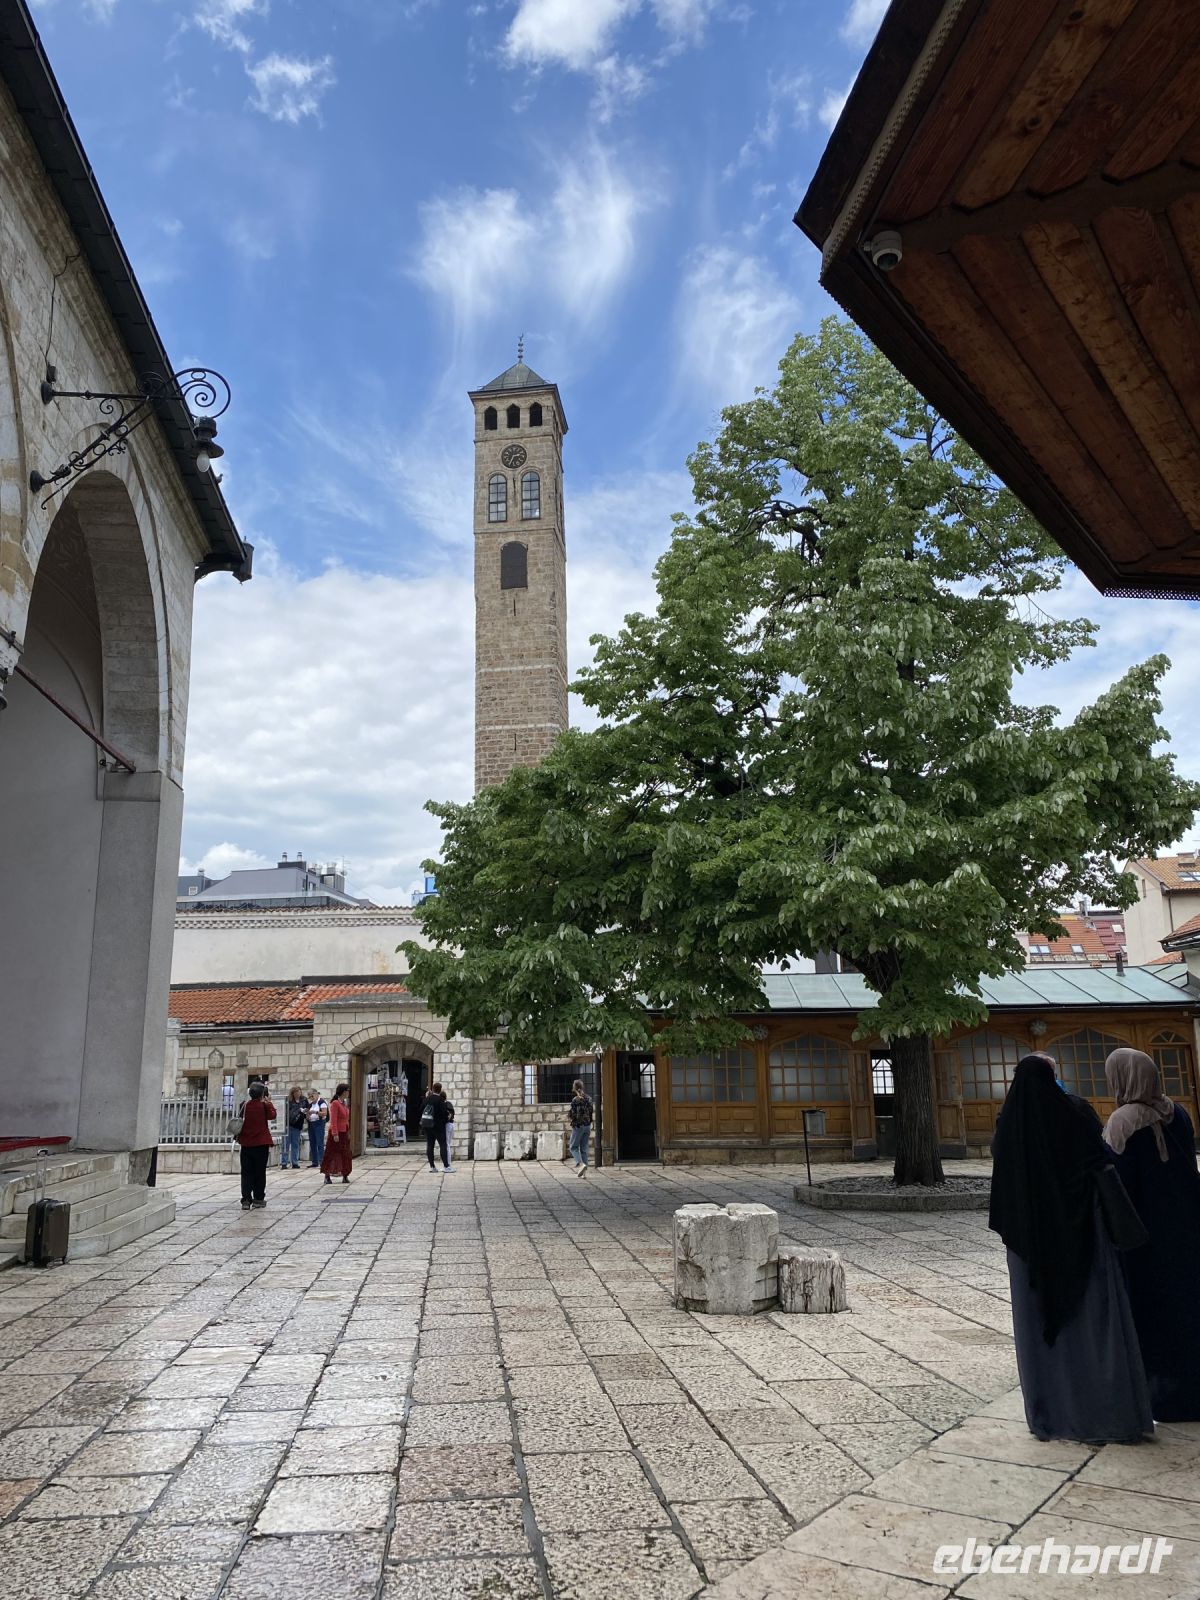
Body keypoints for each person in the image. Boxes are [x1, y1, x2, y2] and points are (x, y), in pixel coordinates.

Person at [989, 1052, 1151, 1444]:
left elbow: (1006, 1191)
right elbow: (1099, 1165)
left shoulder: (1011, 1125)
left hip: (1031, 1247)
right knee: (1093, 1326)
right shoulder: (1076, 1115)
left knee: (1041, 1329)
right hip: (1084, 1236)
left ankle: (1052, 1412)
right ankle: (1107, 1410)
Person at [1103, 1048, 1200, 1422]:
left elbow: (1117, 1183)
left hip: (1144, 1235)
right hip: (1184, 1225)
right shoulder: (1177, 1113)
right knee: (1185, 1305)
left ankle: (1161, 1394)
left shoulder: (1122, 1122)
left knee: (1151, 1310)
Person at [236, 1081, 276, 1210]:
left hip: (246, 1143)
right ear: (262, 1094)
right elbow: (272, 1115)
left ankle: (246, 1200)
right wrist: (269, 1102)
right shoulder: (264, 1106)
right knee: (259, 1172)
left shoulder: (244, 1105)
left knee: (246, 1173)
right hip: (261, 1143)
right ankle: (258, 1198)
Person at [321, 1082, 353, 1185]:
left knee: (345, 1154)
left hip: (344, 1132)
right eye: (347, 1091)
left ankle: (345, 1175)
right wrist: (335, 1134)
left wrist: (348, 1132)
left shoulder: (344, 1103)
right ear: (343, 1092)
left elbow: (346, 1120)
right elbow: (333, 1120)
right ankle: (327, 1175)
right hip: (336, 1133)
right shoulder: (335, 1103)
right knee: (332, 1154)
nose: (348, 1093)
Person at [420, 1082, 454, 1173]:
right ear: (440, 1090)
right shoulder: (440, 1100)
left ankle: (432, 1167)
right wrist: (446, 1119)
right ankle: (446, 1166)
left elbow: (421, 1109)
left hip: (427, 1125)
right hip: (438, 1126)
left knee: (430, 1145)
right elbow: (444, 1113)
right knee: (443, 1145)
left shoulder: (427, 1099)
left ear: (433, 1089)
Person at [568, 1079, 593, 1177]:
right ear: (582, 1087)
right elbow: (590, 1112)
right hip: (587, 1125)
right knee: (584, 1149)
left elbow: (573, 1114)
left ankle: (581, 1164)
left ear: (574, 1088)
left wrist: (569, 1116)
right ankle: (584, 1174)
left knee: (573, 1147)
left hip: (578, 1126)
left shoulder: (575, 1100)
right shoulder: (589, 1098)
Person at [282, 1086, 307, 1170]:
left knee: (295, 1144)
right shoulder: (289, 1101)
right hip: (288, 1125)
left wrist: (305, 1112)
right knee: (285, 1144)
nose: (298, 1094)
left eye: (299, 1092)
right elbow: (286, 1111)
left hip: (298, 1126)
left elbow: (307, 1109)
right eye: (296, 1092)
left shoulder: (304, 1100)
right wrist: (298, 1110)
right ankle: (284, 1163)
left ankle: (295, 1162)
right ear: (293, 1093)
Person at [307, 1089, 328, 1168]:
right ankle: (314, 1161)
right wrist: (307, 1114)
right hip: (311, 1124)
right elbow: (308, 1115)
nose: (311, 1098)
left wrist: (315, 1112)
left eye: (312, 1096)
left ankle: (322, 1161)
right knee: (312, 1143)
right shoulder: (310, 1104)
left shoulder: (321, 1102)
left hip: (319, 1123)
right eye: (310, 1097)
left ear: (316, 1094)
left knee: (319, 1143)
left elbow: (324, 1113)